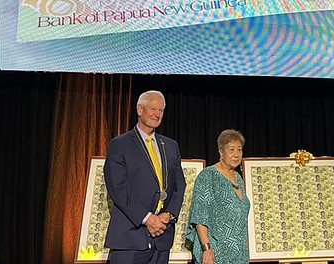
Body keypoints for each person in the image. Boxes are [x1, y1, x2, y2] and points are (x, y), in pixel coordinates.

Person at [103, 90, 186, 264]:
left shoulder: (170, 146)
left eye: (161, 110)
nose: (157, 114)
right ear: (140, 110)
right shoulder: (120, 144)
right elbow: (117, 188)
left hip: (161, 238)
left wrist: (168, 215)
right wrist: (147, 218)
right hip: (130, 238)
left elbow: (179, 185)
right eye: (153, 108)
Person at [187, 129, 251, 264]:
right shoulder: (208, 176)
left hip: (239, 255)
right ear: (221, 152)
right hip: (216, 254)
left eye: (239, 150)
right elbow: (200, 216)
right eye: (232, 150)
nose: (236, 154)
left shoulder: (238, 178)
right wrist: (206, 249)